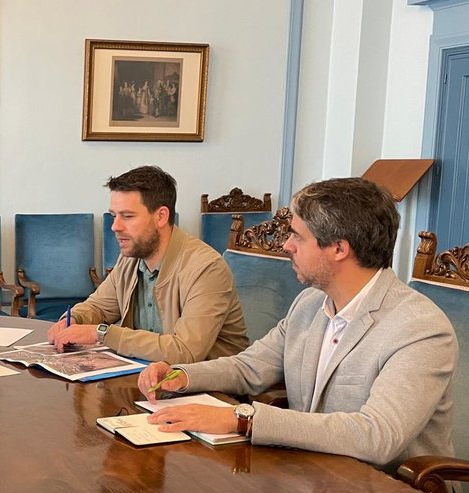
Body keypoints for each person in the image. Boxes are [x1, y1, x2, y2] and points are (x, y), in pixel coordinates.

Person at [137, 177, 457, 477]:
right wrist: (180, 376)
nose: (286, 245)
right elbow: (250, 367)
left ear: (338, 248)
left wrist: (242, 420)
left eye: (298, 236)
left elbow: (376, 436)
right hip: (314, 476)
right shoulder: (309, 303)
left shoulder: (419, 329)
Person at [46, 166, 249, 362]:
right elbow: (99, 306)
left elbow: (185, 351)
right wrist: (73, 321)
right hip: (149, 379)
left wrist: (102, 333)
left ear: (161, 216)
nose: (115, 227)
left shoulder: (206, 268)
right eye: (114, 216)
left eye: (127, 216)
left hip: (207, 389)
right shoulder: (130, 256)